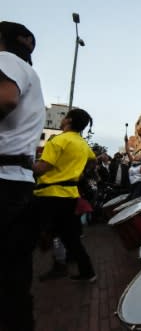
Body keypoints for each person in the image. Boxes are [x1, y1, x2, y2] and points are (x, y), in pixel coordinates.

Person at [0, 21, 45, 331]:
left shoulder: (7, 61)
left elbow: (5, 99)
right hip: (20, 184)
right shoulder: (32, 75)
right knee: (13, 276)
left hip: (6, 181)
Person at [33, 108, 98, 283]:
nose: (62, 119)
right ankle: (87, 271)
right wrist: (80, 173)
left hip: (49, 194)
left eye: (64, 116)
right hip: (70, 195)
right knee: (69, 237)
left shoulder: (58, 140)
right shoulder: (83, 143)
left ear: (68, 121)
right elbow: (93, 160)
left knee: (32, 230)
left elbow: (42, 168)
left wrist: (22, 163)